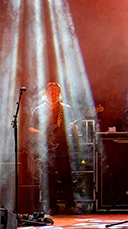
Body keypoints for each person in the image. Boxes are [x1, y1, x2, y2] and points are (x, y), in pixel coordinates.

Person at [29, 82, 79, 215]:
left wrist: (73, 128)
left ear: (59, 94)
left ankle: (70, 205)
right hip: (46, 150)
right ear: (45, 93)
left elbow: (73, 126)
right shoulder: (38, 110)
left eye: (56, 91)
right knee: (49, 178)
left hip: (62, 148)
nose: (53, 93)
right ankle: (52, 206)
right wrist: (39, 133)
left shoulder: (66, 109)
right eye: (50, 91)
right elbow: (30, 127)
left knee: (66, 177)